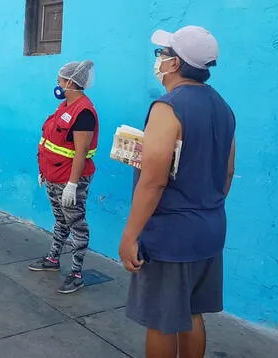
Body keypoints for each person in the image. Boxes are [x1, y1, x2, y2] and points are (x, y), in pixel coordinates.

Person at [119, 26, 235, 358]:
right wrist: (203, 206)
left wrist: (130, 235)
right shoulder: (224, 108)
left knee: (161, 322)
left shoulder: (168, 108)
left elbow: (153, 181)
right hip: (209, 229)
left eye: (162, 54)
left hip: (170, 237)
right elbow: (226, 171)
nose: (158, 60)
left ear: (174, 64)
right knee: (191, 313)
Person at [29, 60, 99, 294]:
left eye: (60, 81)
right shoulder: (65, 107)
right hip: (52, 175)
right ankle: (53, 259)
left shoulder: (84, 112)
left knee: (77, 226)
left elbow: (80, 152)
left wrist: (72, 184)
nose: (57, 84)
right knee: (60, 220)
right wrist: (43, 170)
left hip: (69, 180)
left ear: (70, 83)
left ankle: (77, 273)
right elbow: (52, 141)